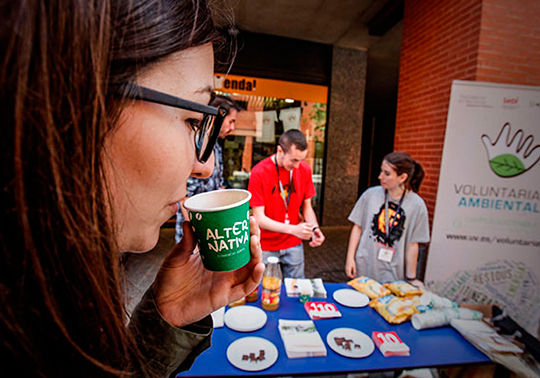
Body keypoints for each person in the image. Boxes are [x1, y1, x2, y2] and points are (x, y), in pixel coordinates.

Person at [0, 1, 264, 377]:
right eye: (192, 119)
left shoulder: (54, 299)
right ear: (74, 100)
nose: (202, 166)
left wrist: (165, 320)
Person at [345, 152, 430, 287]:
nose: (380, 177)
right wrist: (350, 259)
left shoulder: (417, 205)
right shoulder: (370, 195)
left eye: (387, 173)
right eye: (381, 171)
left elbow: (413, 245)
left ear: (402, 177)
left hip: (394, 274)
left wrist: (411, 278)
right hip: (365, 267)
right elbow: (357, 227)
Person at [248, 129, 325, 278]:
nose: (297, 166)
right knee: (268, 293)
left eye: (301, 160)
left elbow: (307, 208)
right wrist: (294, 229)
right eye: (294, 160)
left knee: (295, 292)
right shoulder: (259, 172)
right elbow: (259, 218)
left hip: (293, 245)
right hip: (266, 245)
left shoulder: (304, 169)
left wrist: (314, 227)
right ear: (279, 150)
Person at [175, 94, 242, 243]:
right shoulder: (196, 146)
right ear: (218, 114)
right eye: (231, 121)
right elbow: (184, 199)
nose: (232, 128)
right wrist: (198, 238)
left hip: (211, 232)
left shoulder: (215, 145)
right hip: (196, 235)